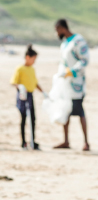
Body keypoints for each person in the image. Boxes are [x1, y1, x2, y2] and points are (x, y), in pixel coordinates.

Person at [53, 19, 90, 151]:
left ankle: (86, 142)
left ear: (62, 28)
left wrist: (72, 71)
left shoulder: (78, 41)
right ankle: (66, 141)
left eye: (57, 30)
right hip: (65, 83)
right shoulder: (64, 44)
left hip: (76, 83)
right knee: (65, 110)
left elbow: (85, 60)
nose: (56, 32)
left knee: (79, 111)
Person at [10, 45, 45, 150]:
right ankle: (23, 142)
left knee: (33, 118)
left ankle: (32, 141)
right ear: (27, 57)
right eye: (33, 59)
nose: (34, 61)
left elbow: (35, 82)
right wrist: (20, 87)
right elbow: (14, 82)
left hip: (30, 95)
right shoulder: (20, 68)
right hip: (22, 95)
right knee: (24, 118)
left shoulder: (32, 69)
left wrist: (43, 91)